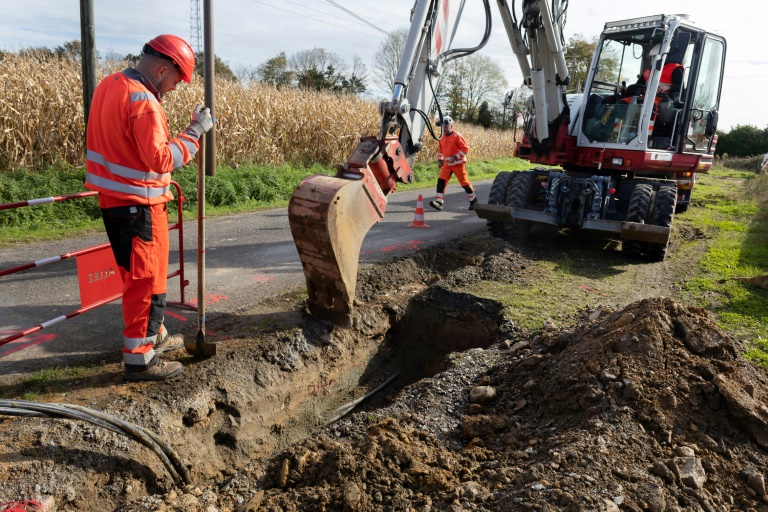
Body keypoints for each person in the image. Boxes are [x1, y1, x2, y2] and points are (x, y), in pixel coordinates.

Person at [84, 34, 213, 382]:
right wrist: (193, 133)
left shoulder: (109, 85)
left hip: (113, 201)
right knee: (148, 282)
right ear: (161, 69)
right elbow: (159, 160)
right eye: (176, 79)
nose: (174, 87)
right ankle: (140, 359)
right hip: (139, 204)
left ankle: (154, 335)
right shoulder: (143, 99)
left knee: (134, 277)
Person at [429, 117, 476, 211]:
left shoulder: (457, 136)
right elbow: (440, 150)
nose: (445, 128)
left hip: (459, 164)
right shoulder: (441, 137)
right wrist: (440, 160)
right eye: (443, 127)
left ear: (451, 126)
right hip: (447, 165)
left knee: (464, 183)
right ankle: (439, 202)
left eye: (446, 126)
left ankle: (474, 202)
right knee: (441, 181)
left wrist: (455, 157)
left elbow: (465, 148)